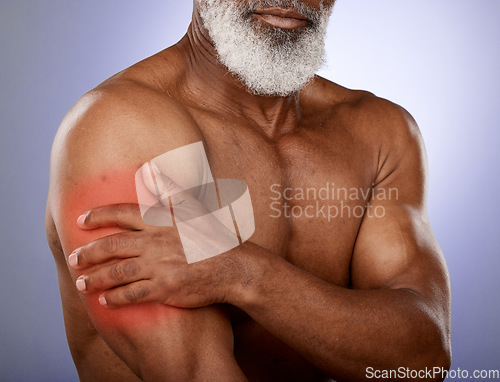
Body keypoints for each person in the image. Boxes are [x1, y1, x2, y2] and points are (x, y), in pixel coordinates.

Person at [45, 0, 452, 381]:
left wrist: (242, 273)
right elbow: (200, 372)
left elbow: (422, 361)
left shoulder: (378, 133)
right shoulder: (126, 125)